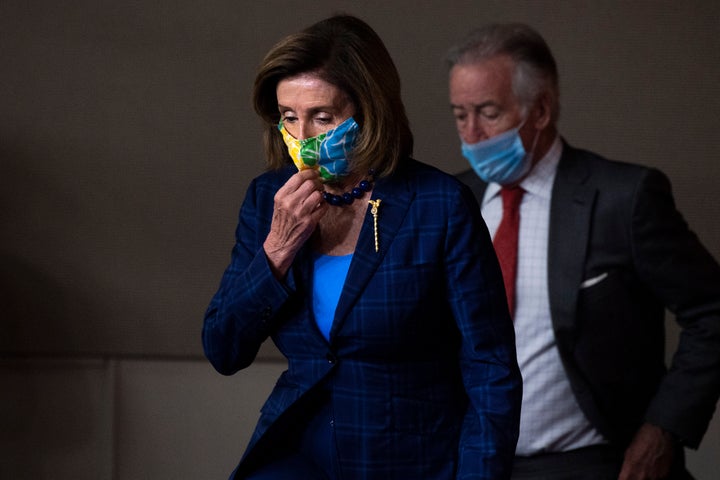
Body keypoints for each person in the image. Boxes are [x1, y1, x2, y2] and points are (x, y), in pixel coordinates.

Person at [203, 15, 522, 480]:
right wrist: (275, 251)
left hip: (408, 456)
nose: (303, 137)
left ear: (369, 111)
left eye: (323, 117)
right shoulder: (267, 197)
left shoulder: (439, 203)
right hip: (298, 452)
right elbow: (223, 348)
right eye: (289, 117)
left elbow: (489, 366)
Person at [446, 23, 720, 480]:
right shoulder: (452, 200)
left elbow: (713, 311)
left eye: (488, 112)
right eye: (459, 115)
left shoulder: (623, 198)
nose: (472, 134)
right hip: (472, 460)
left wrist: (664, 428)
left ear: (542, 110)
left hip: (589, 462)